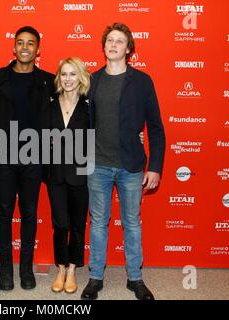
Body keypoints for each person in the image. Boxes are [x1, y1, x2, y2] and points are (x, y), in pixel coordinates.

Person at [81, 22, 166, 300]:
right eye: (110, 41)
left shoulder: (142, 81)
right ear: (104, 46)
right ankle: (95, 278)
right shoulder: (91, 80)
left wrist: (155, 166)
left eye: (119, 41)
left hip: (131, 166)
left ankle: (135, 278)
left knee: (131, 222)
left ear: (128, 49)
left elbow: (155, 126)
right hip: (98, 165)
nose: (114, 45)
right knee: (98, 222)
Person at [0, 26, 55, 291]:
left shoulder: (49, 80)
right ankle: (6, 269)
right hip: (3, 156)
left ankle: (25, 268)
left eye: (31, 43)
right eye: (20, 43)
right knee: (3, 213)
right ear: (13, 47)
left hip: (34, 158)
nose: (25, 47)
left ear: (38, 49)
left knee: (29, 213)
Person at [44, 57, 90, 294]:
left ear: (80, 77)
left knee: (77, 225)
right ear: (58, 77)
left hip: (81, 175)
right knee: (60, 224)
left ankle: (72, 269)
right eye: (64, 74)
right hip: (56, 174)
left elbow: (98, 138)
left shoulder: (89, 106)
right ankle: (60, 267)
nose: (68, 79)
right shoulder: (50, 104)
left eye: (73, 74)